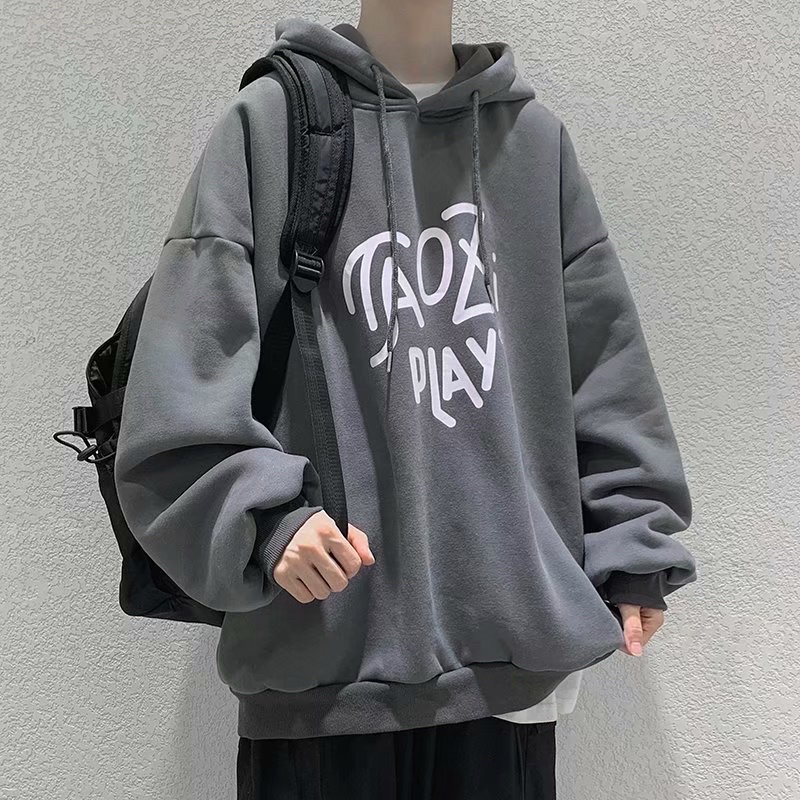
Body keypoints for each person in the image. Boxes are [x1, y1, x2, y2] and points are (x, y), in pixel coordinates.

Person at [113, 3, 698, 797]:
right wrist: (263, 519)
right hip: (323, 674)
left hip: (509, 671)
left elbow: (604, 364)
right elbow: (180, 385)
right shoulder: (273, 124)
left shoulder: (532, 143)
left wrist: (634, 546)